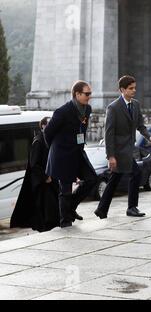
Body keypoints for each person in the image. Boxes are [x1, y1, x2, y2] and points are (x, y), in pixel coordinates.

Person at [94, 75, 151, 219]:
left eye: (135, 88)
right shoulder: (113, 107)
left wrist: (150, 136)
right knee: (134, 174)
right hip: (118, 152)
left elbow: (141, 126)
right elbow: (108, 134)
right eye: (130, 88)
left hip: (129, 150)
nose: (134, 90)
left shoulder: (135, 105)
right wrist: (110, 156)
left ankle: (102, 209)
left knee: (115, 179)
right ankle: (131, 208)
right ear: (122, 89)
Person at [44, 81, 98, 228]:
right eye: (87, 94)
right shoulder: (62, 112)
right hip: (62, 155)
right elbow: (47, 133)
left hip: (78, 152)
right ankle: (65, 221)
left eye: (90, 94)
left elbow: (82, 129)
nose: (89, 97)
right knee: (65, 189)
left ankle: (70, 208)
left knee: (92, 179)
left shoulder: (87, 109)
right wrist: (55, 150)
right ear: (77, 94)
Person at [10, 117, 59, 232]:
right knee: (45, 210)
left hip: (51, 180)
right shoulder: (38, 141)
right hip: (43, 182)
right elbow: (34, 164)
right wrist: (45, 177)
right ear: (43, 126)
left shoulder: (50, 139)